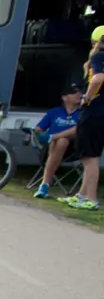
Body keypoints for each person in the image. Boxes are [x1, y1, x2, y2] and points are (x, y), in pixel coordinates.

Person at [60, 26, 104, 212]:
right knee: (90, 154)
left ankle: (92, 199)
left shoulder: (98, 57)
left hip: (94, 112)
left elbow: (98, 78)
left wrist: (87, 96)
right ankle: (81, 195)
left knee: (89, 157)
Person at [32, 83, 84, 198]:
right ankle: (45, 184)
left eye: (80, 92)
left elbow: (80, 129)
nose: (79, 94)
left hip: (73, 149)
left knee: (63, 140)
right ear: (64, 97)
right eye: (74, 92)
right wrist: (36, 133)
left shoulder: (82, 112)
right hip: (50, 148)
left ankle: (44, 183)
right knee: (60, 141)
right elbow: (38, 128)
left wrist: (53, 136)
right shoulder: (55, 111)